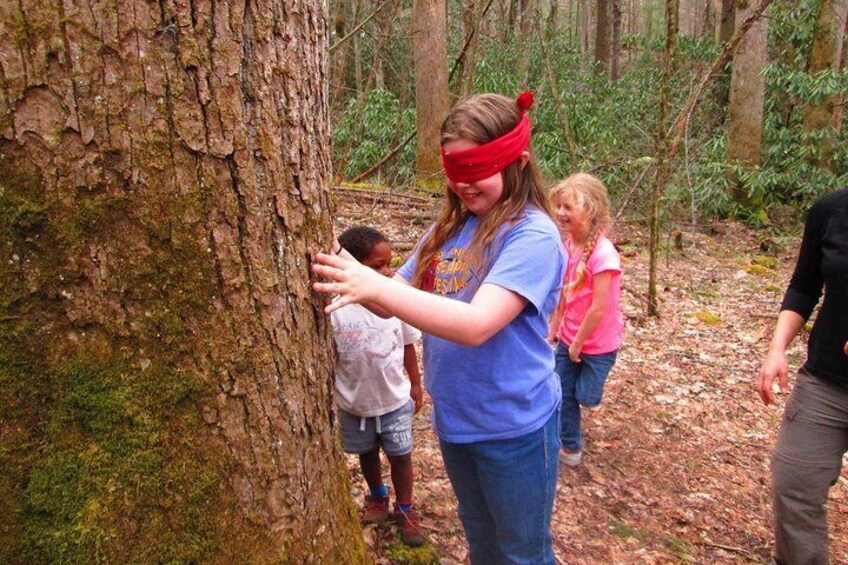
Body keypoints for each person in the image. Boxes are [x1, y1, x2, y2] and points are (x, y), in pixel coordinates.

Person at [314, 92, 565, 564]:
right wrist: (338, 258)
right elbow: (395, 300)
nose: (464, 185)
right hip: (459, 422)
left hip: (515, 428)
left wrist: (374, 285)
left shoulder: (532, 235)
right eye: (455, 171)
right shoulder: (450, 229)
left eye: (477, 170)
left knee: (522, 552)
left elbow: (475, 325)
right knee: (482, 538)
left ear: (518, 162)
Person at [756, 187, 848, 565]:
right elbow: (804, 286)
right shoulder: (831, 210)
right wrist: (777, 349)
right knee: (793, 483)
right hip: (825, 382)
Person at [331, 226, 425, 547]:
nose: (386, 272)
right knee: (367, 452)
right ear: (354, 268)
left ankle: (406, 508)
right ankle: (376, 495)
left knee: (401, 455)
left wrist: (416, 384)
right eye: (376, 267)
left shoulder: (394, 301)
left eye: (389, 264)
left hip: (394, 399)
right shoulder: (337, 307)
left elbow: (409, 345)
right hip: (355, 402)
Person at [546, 173, 623, 468]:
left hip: (599, 344)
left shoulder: (603, 255)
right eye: (560, 207)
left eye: (569, 208)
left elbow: (599, 308)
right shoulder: (567, 247)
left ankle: (586, 396)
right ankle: (570, 446)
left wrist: (578, 343)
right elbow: (565, 294)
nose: (561, 214)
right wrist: (555, 330)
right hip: (569, 337)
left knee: (586, 397)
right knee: (562, 391)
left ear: (590, 212)